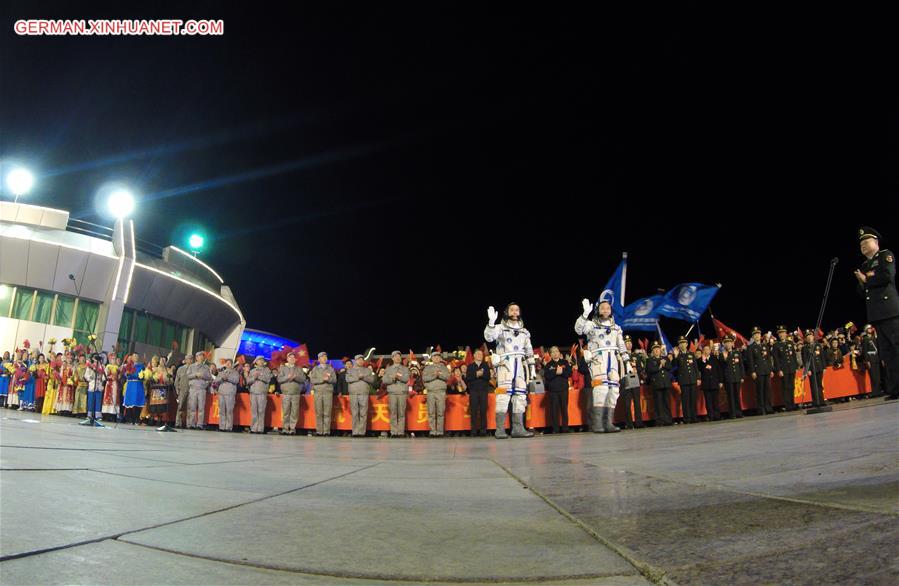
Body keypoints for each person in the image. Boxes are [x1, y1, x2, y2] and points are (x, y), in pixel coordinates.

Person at [855, 227, 899, 400]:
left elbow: (887, 275)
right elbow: (862, 291)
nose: (863, 246)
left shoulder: (884, 256)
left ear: (876, 242)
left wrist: (867, 280)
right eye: (861, 244)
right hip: (876, 314)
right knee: (887, 353)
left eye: (866, 242)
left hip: (889, 310)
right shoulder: (864, 266)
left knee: (897, 348)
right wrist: (861, 282)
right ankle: (895, 389)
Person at [575, 299, 628, 433]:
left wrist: (627, 362)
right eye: (602, 308)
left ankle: (608, 423)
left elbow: (621, 345)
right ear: (598, 310)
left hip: (613, 359)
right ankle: (597, 424)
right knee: (601, 389)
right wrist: (585, 314)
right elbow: (579, 330)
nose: (605, 310)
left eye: (608, 308)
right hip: (598, 359)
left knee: (613, 391)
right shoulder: (592, 325)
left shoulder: (616, 327)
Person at [485, 302, 535, 439]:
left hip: (520, 364)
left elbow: (529, 349)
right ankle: (500, 429)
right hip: (505, 364)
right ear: (507, 312)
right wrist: (490, 322)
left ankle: (518, 429)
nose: (514, 312)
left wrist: (532, 367)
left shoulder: (524, 331)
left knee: (520, 396)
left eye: (517, 310)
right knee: (503, 396)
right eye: (512, 310)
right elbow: (489, 337)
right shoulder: (500, 328)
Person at [276, 351, 306, 435]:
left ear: (295, 359)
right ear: (287, 359)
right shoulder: (283, 368)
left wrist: (296, 377)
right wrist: (287, 377)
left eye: (293, 357)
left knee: (294, 411)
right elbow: (279, 379)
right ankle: (285, 428)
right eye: (290, 357)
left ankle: (292, 428)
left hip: (296, 393)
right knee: (285, 411)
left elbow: (303, 379)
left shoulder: (299, 368)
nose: (292, 359)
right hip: (286, 393)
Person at [543, 346, 572, 434]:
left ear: (559, 353)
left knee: (564, 409)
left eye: (556, 351)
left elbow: (569, 373)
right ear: (550, 354)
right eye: (553, 352)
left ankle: (565, 428)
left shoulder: (565, 362)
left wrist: (562, 372)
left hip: (563, 389)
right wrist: (555, 372)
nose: (555, 353)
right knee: (554, 410)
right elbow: (547, 376)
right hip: (553, 391)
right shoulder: (548, 365)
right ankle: (555, 429)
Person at [746, 327, 775, 415]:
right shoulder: (751, 347)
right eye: (755, 334)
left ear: (760, 335)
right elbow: (750, 361)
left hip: (766, 370)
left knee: (767, 390)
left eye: (758, 334)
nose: (757, 336)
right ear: (753, 337)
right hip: (758, 371)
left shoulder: (764, 345)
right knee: (760, 391)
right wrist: (753, 372)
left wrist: (771, 370)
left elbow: (768, 359)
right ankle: (761, 409)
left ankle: (768, 407)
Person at [382, 351, 411, 438]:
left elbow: (407, 379)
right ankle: (394, 432)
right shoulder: (388, 369)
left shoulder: (405, 369)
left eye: (399, 356)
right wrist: (392, 378)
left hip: (402, 392)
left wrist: (399, 377)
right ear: (392, 358)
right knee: (393, 412)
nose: (398, 358)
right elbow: (385, 381)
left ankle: (401, 432)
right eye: (396, 356)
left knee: (401, 413)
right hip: (392, 393)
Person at [345, 354, 375, 437]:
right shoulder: (350, 370)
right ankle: (355, 431)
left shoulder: (367, 370)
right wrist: (358, 377)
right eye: (359, 359)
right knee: (355, 413)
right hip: (353, 394)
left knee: (363, 413)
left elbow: (372, 380)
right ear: (355, 360)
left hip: (363, 393)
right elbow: (347, 379)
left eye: (362, 360)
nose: (361, 361)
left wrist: (364, 378)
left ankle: (362, 432)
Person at [422, 352, 450, 437]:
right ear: (432, 358)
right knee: (431, 412)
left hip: (441, 392)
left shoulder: (444, 368)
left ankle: (440, 431)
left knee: (440, 412)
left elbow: (447, 377)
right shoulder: (427, 368)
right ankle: (432, 431)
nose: (437, 358)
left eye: (438, 357)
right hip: (431, 392)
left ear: (440, 358)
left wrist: (439, 375)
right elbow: (424, 378)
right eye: (435, 357)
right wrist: (434, 376)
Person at [464, 349, 492, 437]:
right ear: (474, 356)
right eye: (478, 354)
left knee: (483, 411)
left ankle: (483, 431)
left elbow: (487, 377)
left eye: (481, 354)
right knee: (474, 411)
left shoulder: (486, 365)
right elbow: (468, 378)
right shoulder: (470, 366)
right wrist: (476, 375)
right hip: (473, 391)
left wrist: (480, 374)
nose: (480, 355)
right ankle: (473, 431)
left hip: (483, 391)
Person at [673, 337, 701, 424]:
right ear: (679, 345)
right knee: (685, 400)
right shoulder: (678, 355)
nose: (682, 345)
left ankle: (694, 417)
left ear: (687, 344)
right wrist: (675, 356)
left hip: (692, 379)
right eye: (680, 343)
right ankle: (687, 418)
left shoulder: (691, 354)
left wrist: (698, 378)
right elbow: (674, 366)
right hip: (684, 381)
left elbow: (695, 367)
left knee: (693, 399)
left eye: (684, 343)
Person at [772, 326, 800, 411]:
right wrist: (779, 370)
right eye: (780, 333)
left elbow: (794, 356)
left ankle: (792, 403)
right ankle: (787, 405)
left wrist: (796, 366)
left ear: (785, 333)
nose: (781, 335)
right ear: (778, 334)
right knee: (785, 387)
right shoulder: (776, 345)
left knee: (792, 386)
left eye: (783, 333)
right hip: (783, 369)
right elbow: (776, 359)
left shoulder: (790, 343)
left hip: (791, 368)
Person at [646, 342, 673, 426]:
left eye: (658, 349)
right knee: (658, 403)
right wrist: (659, 366)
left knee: (666, 403)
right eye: (655, 349)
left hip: (665, 383)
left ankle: (668, 420)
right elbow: (649, 370)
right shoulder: (650, 360)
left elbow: (669, 367)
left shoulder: (665, 358)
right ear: (653, 351)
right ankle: (659, 420)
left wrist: (664, 364)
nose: (657, 350)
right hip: (657, 384)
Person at [310, 352, 337, 436]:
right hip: (318, 392)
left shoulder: (331, 369)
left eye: (325, 357)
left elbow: (334, 380)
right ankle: (319, 431)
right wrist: (322, 379)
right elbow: (312, 380)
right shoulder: (315, 369)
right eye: (322, 357)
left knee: (327, 412)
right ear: (319, 359)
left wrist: (328, 380)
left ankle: (326, 431)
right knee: (319, 412)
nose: (324, 358)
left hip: (327, 392)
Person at [245, 356, 273, 434]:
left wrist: (259, 376)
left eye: (262, 360)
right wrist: (254, 377)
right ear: (256, 362)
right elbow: (248, 381)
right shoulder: (252, 371)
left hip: (262, 393)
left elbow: (268, 379)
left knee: (261, 411)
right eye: (259, 360)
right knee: (254, 411)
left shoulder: (267, 370)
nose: (260, 361)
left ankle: (260, 428)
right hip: (253, 393)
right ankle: (254, 427)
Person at [720, 336, 745, 419]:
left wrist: (742, 376)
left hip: (737, 377)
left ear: (732, 343)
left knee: (737, 395)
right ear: (724, 344)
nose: (728, 344)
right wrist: (725, 358)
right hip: (728, 378)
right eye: (726, 342)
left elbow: (741, 366)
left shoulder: (736, 353)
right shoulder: (722, 354)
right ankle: (732, 413)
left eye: (729, 342)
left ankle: (739, 412)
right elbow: (722, 367)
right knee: (730, 396)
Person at [186, 351, 212, 429]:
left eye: (202, 356)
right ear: (196, 357)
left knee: (201, 407)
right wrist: (195, 375)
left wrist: (203, 375)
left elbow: (209, 377)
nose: (201, 357)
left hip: (201, 389)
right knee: (192, 407)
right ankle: (192, 424)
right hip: (193, 389)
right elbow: (188, 376)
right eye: (200, 356)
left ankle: (199, 424)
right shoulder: (191, 366)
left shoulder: (206, 367)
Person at [802, 330, 827, 407]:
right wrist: (807, 370)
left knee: (819, 385)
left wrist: (824, 367)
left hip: (819, 367)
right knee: (813, 386)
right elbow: (805, 360)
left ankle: (821, 401)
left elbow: (822, 357)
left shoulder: (818, 345)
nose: (809, 338)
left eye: (811, 336)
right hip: (811, 369)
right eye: (808, 337)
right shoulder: (805, 348)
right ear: (806, 339)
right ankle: (816, 402)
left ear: (813, 337)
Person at [214, 358, 240, 432]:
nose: (228, 364)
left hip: (230, 393)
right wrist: (221, 378)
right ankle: (221, 426)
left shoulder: (235, 372)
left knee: (229, 410)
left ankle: (228, 427)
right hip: (221, 393)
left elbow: (236, 381)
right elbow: (216, 381)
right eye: (227, 363)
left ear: (232, 364)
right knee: (222, 410)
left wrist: (228, 378)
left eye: (229, 363)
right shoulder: (221, 372)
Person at [698, 344, 722, 421]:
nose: (706, 351)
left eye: (707, 349)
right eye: (704, 350)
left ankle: (717, 416)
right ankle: (711, 416)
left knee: (715, 401)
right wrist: (703, 360)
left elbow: (719, 370)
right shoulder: (700, 360)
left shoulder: (714, 359)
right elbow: (698, 369)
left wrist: (720, 381)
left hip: (715, 382)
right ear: (703, 351)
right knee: (708, 402)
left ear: (710, 351)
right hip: (706, 384)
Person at [172, 354, 193, 428]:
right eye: (188, 359)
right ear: (185, 360)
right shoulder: (181, 369)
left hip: (191, 390)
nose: (190, 360)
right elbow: (176, 381)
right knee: (180, 407)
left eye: (191, 359)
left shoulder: (194, 369)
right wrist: (177, 391)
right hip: (182, 390)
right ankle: (178, 423)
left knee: (190, 408)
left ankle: (189, 424)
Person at [861, 325, 882, 397]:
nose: (870, 329)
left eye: (871, 328)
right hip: (870, 359)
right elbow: (865, 351)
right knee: (873, 377)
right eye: (869, 328)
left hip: (876, 358)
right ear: (866, 330)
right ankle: (875, 392)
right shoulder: (865, 339)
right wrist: (867, 361)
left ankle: (879, 391)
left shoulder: (873, 337)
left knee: (878, 376)